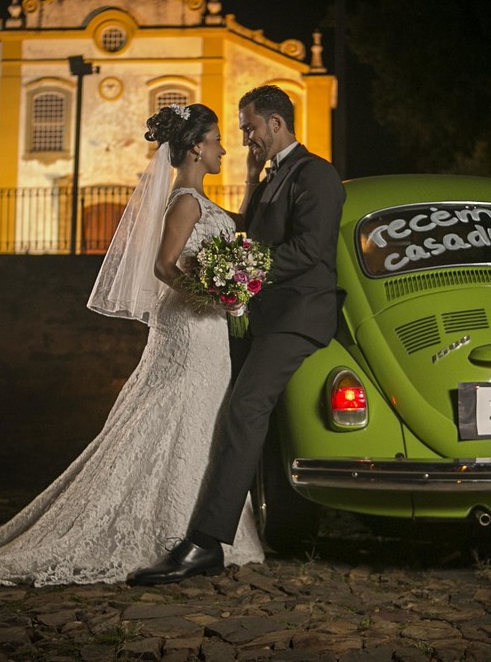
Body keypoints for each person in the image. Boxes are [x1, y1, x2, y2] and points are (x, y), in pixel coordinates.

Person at [0, 103, 264, 595]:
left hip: (205, 328)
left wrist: (250, 179)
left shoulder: (201, 200)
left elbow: (236, 225)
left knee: (203, 417)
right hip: (189, 324)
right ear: (197, 147)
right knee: (176, 412)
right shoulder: (183, 201)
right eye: (219, 140)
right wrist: (212, 293)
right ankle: (166, 528)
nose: (224, 147)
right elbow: (163, 267)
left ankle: (204, 529)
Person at [129, 84, 345, 585]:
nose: (244, 138)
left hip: (298, 316)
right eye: (238, 131)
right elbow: (248, 232)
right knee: (223, 407)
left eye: (248, 127)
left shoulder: (316, 173)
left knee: (245, 408)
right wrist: (249, 192)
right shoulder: (271, 176)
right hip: (259, 315)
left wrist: (244, 269)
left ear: (275, 123)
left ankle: (205, 542)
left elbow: (311, 251)